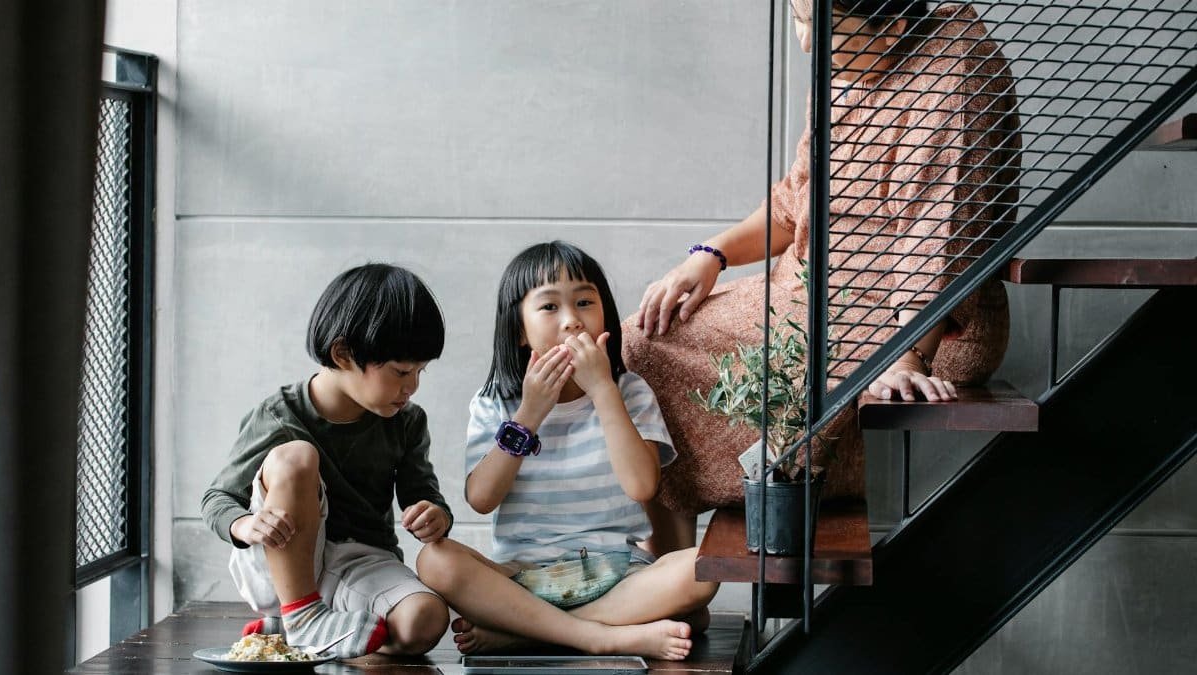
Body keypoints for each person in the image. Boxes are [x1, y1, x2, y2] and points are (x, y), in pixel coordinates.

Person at [625, 0, 1022, 553]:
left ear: (897, 26)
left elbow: (940, 232)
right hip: (807, 287)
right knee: (645, 337)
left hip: (926, 318)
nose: (807, 44)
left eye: (824, 29)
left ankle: (793, 487)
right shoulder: (844, 67)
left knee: (794, 369)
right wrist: (709, 255)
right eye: (799, 19)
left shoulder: (954, 69)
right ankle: (673, 557)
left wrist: (906, 354)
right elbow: (795, 203)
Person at [416, 241, 719, 661]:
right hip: (521, 579)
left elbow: (642, 486)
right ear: (519, 331)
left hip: (617, 572)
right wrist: (528, 416)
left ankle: (529, 633)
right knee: (435, 562)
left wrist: (602, 390)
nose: (572, 321)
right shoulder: (496, 403)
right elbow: (482, 499)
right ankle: (599, 636)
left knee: (701, 573)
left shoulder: (629, 391)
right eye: (549, 307)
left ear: (605, 315)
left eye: (583, 302)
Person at [201, 263, 453, 658]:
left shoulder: (407, 422)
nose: (412, 387)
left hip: (360, 565)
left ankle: (300, 627)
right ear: (343, 353)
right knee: (298, 458)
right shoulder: (279, 416)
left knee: (427, 619)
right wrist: (247, 524)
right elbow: (216, 499)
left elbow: (422, 493)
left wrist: (434, 514)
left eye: (420, 371)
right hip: (280, 562)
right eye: (401, 371)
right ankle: (300, 615)